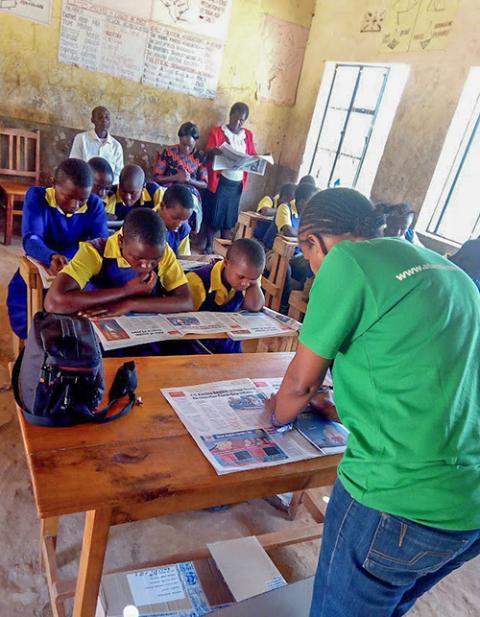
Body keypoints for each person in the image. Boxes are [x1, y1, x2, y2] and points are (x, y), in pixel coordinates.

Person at [264, 188, 480, 617]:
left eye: (309, 248)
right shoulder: (450, 270)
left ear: (317, 238)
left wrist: (271, 415)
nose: (310, 263)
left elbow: (298, 388)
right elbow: (432, 385)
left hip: (395, 502)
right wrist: (341, 407)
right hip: (467, 511)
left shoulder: (347, 263)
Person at [7, 158, 108, 340]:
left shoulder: (94, 205)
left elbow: (100, 244)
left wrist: (72, 260)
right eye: (68, 197)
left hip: (78, 269)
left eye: (81, 200)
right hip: (42, 263)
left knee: (88, 314)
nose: (74, 206)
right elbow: (31, 239)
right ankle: (38, 348)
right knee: (25, 309)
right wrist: (51, 256)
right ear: (53, 184)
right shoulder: (37, 197)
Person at [44, 208, 193, 320]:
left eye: (154, 261)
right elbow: (54, 302)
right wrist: (125, 290)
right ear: (121, 242)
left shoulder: (163, 252)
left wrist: (129, 304)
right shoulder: (95, 251)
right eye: (138, 258)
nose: (146, 266)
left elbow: (186, 302)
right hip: (95, 323)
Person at [186, 238, 265, 353]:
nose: (245, 283)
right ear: (226, 263)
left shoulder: (249, 275)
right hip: (198, 349)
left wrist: (254, 284)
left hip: (230, 348)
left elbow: (254, 306)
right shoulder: (197, 281)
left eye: (252, 279)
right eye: (241, 277)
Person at [204, 102, 257, 254]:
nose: (238, 122)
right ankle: (209, 245)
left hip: (236, 183)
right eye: (236, 118)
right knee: (214, 215)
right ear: (230, 115)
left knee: (229, 219)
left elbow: (251, 154)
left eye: (242, 120)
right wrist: (216, 152)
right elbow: (208, 151)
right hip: (221, 181)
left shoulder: (247, 135)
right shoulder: (217, 132)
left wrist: (256, 159)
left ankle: (224, 247)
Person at [153, 122, 207, 234]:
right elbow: (157, 177)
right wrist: (175, 177)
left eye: (190, 146)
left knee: (189, 202)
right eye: (183, 144)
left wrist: (189, 180)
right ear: (179, 139)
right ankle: (159, 228)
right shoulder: (168, 152)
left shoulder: (200, 157)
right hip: (168, 188)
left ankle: (183, 232)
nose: (186, 149)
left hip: (189, 191)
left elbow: (205, 183)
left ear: (195, 142)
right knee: (162, 196)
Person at [70, 106, 124, 183]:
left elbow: (118, 173)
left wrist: (107, 187)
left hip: (107, 189)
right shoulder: (81, 139)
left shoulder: (116, 146)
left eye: (107, 117)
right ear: (92, 120)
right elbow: (74, 165)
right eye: (100, 117)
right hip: (84, 185)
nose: (104, 120)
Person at [155, 184, 194, 257]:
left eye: (184, 220)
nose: (179, 224)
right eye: (175, 218)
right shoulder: (145, 223)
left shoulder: (183, 229)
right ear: (162, 206)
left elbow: (184, 257)